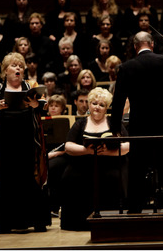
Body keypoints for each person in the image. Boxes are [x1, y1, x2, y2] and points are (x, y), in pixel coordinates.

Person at [110, 31, 163, 213]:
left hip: (140, 124)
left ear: (135, 46)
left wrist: (115, 127)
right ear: (152, 44)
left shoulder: (126, 67)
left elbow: (119, 100)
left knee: (137, 167)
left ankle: (134, 208)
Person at [0, 52, 51, 233]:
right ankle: (6, 223)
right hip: (5, 141)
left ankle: (37, 221)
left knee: (31, 177)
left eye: (20, 66)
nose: (18, 69)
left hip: (28, 139)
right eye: (14, 66)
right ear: (5, 71)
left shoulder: (32, 85)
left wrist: (37, 105)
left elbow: (45, 106)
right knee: (6, 179)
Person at [61, 87, 129, 230]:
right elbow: (68, 146)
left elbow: (128, 145)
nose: (97, 107)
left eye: (101, 105)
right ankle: (77, 223)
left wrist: (106, 152)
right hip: (83, 163)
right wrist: (87, 150)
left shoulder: (114, 123)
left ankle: (111, 223)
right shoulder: (80, 123)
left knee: (116, 176)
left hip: (110, 164)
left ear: (106, 108)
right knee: (70, 176)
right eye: (94, 103)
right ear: (89, 105)